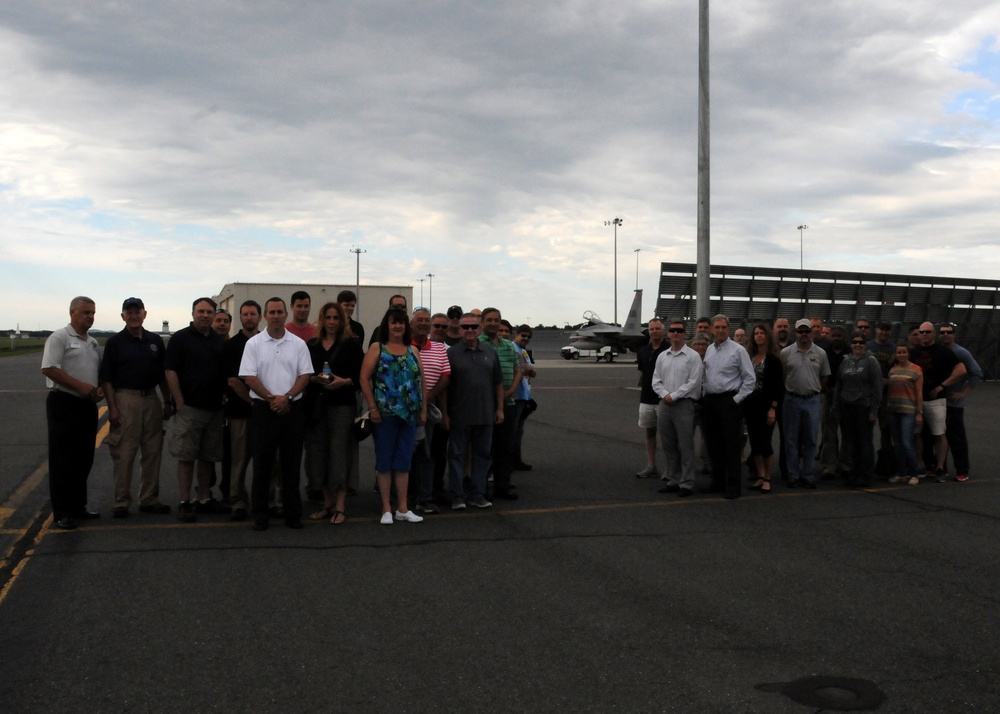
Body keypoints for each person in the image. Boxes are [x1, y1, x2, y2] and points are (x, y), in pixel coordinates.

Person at [240, 297, 313, 531]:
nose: (275, 316)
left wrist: (287, 397)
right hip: (264, 410)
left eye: (279, 312)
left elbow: (305, 376)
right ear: (265, 316)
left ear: (285, 314)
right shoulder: (253, 344)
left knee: (291, 465)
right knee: (262, 464)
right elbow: (249, 377)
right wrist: (273, 398)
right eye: (271, 312)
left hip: (292, 409)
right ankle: (260, 514)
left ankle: (293, 514)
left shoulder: (299, 344)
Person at [99, 297, 172, 518]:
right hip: (125, 399)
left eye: (137, 311)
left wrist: (167, 401)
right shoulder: (115, 343)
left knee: (152, 452)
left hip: (151, 399)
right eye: (129, 312)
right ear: (123, 316)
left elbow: (162, 374)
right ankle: (121, 501)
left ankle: (149, 499)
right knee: (125, 453)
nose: (133, 316)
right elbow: (107, 379)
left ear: (144, 314)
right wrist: (112, 408)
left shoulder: (154, 341)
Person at [41, 296, 104, 530]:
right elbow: (48, 369)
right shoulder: (60, 337)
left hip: (86, 405)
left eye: (93, 313)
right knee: (63, 459)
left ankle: (78, 506)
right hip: (63, 403)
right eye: (85, 312)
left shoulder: (93, 342)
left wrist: (95, 390)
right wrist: (81, 387)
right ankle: (62, 512)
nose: (90, 316)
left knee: (83, 457)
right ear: (72, 313)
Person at [165, 297, 229, 522]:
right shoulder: (180, 339)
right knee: (186, 456)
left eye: (209, 312)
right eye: (201, 311)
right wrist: (179, 401)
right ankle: (184, 502)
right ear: (193, 313)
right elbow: (170, 370)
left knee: (207, 456)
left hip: (214, 409)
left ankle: (203, 498)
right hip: (190, 408)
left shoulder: (219, 341)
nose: (205, 315)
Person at [359, 307, 426, 524]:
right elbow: (364, 379)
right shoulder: (378, 348)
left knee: (404, 462)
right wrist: (373, 407)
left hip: (409, 415)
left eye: (401, 322)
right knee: (385, 461)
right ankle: (387, 508)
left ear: (406, 326)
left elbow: (421, 382)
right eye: (393, 322)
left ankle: (403, 508)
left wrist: (423, 409)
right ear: (386, 325)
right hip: (385, 415)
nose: (398, 326)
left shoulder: (412, 351)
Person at [305, 302, 364, 525]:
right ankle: (327, 504)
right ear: (322, 320)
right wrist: (314, 379)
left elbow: (361, 377)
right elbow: (304, 375)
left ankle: (340, 506)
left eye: (335, 318)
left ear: (342, 321)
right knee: (318, 454)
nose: (331, 322)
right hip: (317, 408)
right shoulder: (312, 346)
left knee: (339, 454)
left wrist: (344, 382)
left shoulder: (352, 346)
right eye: (328, 317)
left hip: (342, 407)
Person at [442, 313, 502, 510]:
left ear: (479, 329)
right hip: (459, 416)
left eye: (473, 327)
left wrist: (499, 408)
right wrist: (446, 414)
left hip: (485, 415)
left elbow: (498, 383)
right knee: (456, 455)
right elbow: (445, 387)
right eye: (465, 327)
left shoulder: (490, 352)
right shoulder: (451, 354)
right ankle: (457, 495)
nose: (469, 330)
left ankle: (478, 493)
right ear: (459, 330)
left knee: (483, 455)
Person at [701, 314, 755, 499]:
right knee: (713, 445)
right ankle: (717, 483)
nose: (720, 331)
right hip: (711, 401)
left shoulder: (738, 350)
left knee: (731, 446)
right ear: (712, 330)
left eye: (723, 327)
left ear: (728, 328)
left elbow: (750, 379)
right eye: (717, 327)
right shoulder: (709, 350)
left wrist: (736, 400)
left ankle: (733, 487)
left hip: (729, 402)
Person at [650, 320, 703, 497]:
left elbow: (693, 382)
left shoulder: (693, 356)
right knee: (668, 444)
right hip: (665, 404)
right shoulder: (662, 356)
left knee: (685, 444)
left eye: (679, 331)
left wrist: (674, 395)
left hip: (683, 404)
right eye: (672, 330)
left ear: (684, 334)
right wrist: (665, 394)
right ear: (668, 333)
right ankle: (673, 479)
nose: (675, 333)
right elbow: (655, 380)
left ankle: (687, 483)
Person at [910, 322, 966, 480]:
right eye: (922, 332)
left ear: (934, 334)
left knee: (939, 434)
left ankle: (940, 467)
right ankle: (920, 465)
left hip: (936, 401)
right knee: (917, 434)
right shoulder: (913, 353)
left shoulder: (943, 352)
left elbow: (961, 370)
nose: (925, 334)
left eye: (928, 331)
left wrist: (943, 385)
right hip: (917, 401)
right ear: (918, 334)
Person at [781, 319, 831, 489]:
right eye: (800, 331)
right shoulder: (786, 353)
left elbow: (825, 376)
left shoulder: (821, 353)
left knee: (810, 439)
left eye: (807, 331)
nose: (804, 335)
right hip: (791, 400)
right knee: (791, 439)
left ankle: (808, 474)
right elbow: (781, 376)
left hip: (812, 400)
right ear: (796, 333)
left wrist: (816, 390)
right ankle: (793, 474)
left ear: (811, 333)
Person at [409, 307, 450, 514]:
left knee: (426, 455)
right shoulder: (402, 346)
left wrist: (428, 398)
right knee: (403, 455)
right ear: (411, 323)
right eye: (420, 320)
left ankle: (424, 498)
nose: (423, 324)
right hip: (403, 409)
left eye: (427, 320)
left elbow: (445, 376)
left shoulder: (439, 348)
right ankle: (400, 497)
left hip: (428, 409)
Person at [223, 300, 261, 521]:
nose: (249, 318)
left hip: (267, 411)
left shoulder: (266, 342)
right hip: (240, 412)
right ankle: (237, 501)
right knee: (239, 459)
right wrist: (252, 401)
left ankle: (269, 500)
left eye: (253, 314)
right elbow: (233, 380)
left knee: (268, 460)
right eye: (245, 314)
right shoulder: (232, 345)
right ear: (241, 317)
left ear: (260, 317)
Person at [479, 307, 522, 500]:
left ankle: (502, 485)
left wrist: (511, 391)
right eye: (489, 320)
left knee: (505, 447)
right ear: (482, 322)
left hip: (508, 402)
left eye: (496, 320)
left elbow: (517, 369)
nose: (493, 323)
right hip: (485, 403)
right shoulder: (478, 343)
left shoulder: (508, 346)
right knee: (484, 447)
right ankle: (481, 486)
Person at [833, 332, 883, 487]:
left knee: (865, 442)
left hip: (864, 407)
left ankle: (866, 474)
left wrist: (874, 410)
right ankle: (854, 472)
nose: (857, 345)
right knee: (852, 442)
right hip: (847, 407)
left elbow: (877, 386)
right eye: (854, 342)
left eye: (861, 342)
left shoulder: (871, 361)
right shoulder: (845, 361)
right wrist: (836, 407)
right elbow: (838, 385)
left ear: (865, 345)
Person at [937, 323, 980, 482]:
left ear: (954, 335)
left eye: (949, 332)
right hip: (937, 402)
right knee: (938, 437)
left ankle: (962, 470)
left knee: (956, 437)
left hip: (953, 404)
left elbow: (976, 373)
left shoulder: (962, 352)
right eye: (942, 332)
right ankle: (941, 468)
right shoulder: (938, 351)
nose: (945, 335)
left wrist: (963, 393)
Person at [744, 324, 783, 494]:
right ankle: (760, 475)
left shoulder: (773, 359)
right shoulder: (750, 357)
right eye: (756, 334)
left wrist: (773, 408)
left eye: (762, 333)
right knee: (755, 444)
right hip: (751, 405)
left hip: (767, 406)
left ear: (767, 336)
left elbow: (778, 386)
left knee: (765, 442)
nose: (759, 336)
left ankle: (768, 477)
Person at [635, 318, 668, 479]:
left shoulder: (669, 349)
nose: (654, 331)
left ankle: (672, 469)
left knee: (668, 434)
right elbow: (643, 371)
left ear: (663, 331)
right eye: (652, 329)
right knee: (649, 432)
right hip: (646, 398)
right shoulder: (643, 351)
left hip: (664, 398)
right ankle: (651, 465)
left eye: (657, 328)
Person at [887, 345, 923, 486]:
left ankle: (914, 473)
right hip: (893, 410)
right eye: (899, 352)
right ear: (895, 354)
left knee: (907, 443)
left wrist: (919, 412)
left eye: (904, 352)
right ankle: (901, 473)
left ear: (908, 353)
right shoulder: (893, 370)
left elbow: (919, 392)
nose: (901, 354)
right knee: (897, 444)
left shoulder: (916, 369)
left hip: (908, 410)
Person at [867, 320, 896, 477]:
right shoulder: (869, 346)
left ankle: (885, 464)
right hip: (870, 396)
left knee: (886, 430)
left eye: (887, 330)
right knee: (867, 431)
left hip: (886, 396)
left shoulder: (894, 349)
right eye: (882, 329)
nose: (884, 332)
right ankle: (868, 463)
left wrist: (888, 380)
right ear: (876, 330)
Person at [820, 326, 849, 479]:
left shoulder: (850, 352)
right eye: (834, 335)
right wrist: (825, 389)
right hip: (829, 396)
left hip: (847, 398)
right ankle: (828, 466)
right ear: (830, 336)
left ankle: (845, 464)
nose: (836, 338)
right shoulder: (824, 352)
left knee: (847, 433)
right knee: (828, 434)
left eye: (839, 335)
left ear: (844, 337)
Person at [511, 324, 536, 471]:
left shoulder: (524, 352)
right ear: (517, 334)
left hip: (525, 396)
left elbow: (532, 373)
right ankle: (508, 461)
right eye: (523, 335)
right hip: (516, 396)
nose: (525, 339)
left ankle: (516, 459)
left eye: (528, 337)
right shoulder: (513, 349)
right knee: (512, 431)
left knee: (519, 431)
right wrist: (527, 369)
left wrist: (530, 369)